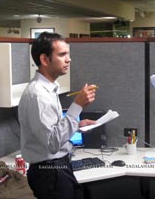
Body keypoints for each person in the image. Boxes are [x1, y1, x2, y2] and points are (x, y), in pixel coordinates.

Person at [18, 32, 97, 199]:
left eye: (68, 54)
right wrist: (78, 105)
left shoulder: (49, 89)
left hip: (57, 169)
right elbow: (52, 143)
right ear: (45, 60)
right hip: (49, 172)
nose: (69, 59)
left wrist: (77, 124)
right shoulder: (38, 95)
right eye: (62, 55)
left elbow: (53, 130)